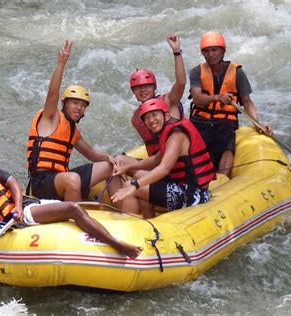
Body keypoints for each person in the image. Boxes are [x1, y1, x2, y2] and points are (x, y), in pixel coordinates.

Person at [0, 131, 142, 271]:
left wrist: (18, 206)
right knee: (72, 208)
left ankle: (109, 238)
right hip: (6, 221)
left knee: (74, 208)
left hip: (22, 208)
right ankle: (117, 245)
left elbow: (12, 184)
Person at [26, 39, 121, 202]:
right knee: (73, 179)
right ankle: (75, 217)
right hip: (41, 183)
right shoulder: (51, 117)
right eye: (75, 103)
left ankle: (124, 214)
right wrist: (61, 63)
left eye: (83, 105)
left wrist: (110, 158)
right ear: (65, 104)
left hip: (62, 178)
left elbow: (91, 154)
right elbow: (52, 94)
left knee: (111, 167)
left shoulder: (73, 132)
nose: (79, 108)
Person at [111, 99, 216, 219]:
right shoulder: (167, 133)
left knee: (131, 187)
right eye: (147, 118)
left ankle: (131, 227)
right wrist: (128, 167)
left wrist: (134, 184)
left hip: (193, 194)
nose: (151, 120)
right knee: (140, 183)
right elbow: (156, 159)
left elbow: (164, 169)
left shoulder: (177, 136)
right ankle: (149, 220)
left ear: (166, 116)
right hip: (180, 186)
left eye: (155, 115)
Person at [189, 31, 273, 176]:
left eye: (214, 50)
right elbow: (197, 98)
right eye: (206, 51)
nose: (210, 54)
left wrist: (257, 124)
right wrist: (217, 98)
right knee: (190, 144)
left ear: (223, 51)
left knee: (228, 142)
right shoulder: (196, 71)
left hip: (225, 122)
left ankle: (222, 180)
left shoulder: (237, 72)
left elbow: (247, 102)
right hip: (200, 120)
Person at [128, 33, 186, 157]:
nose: (143, 90)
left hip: (179, 159)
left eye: (147, 86)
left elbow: (181, 83)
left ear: (154, 87)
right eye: (138, 88)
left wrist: (176, 51)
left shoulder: (169, 100)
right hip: (157, 162)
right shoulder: (135, 118)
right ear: (134, 93)